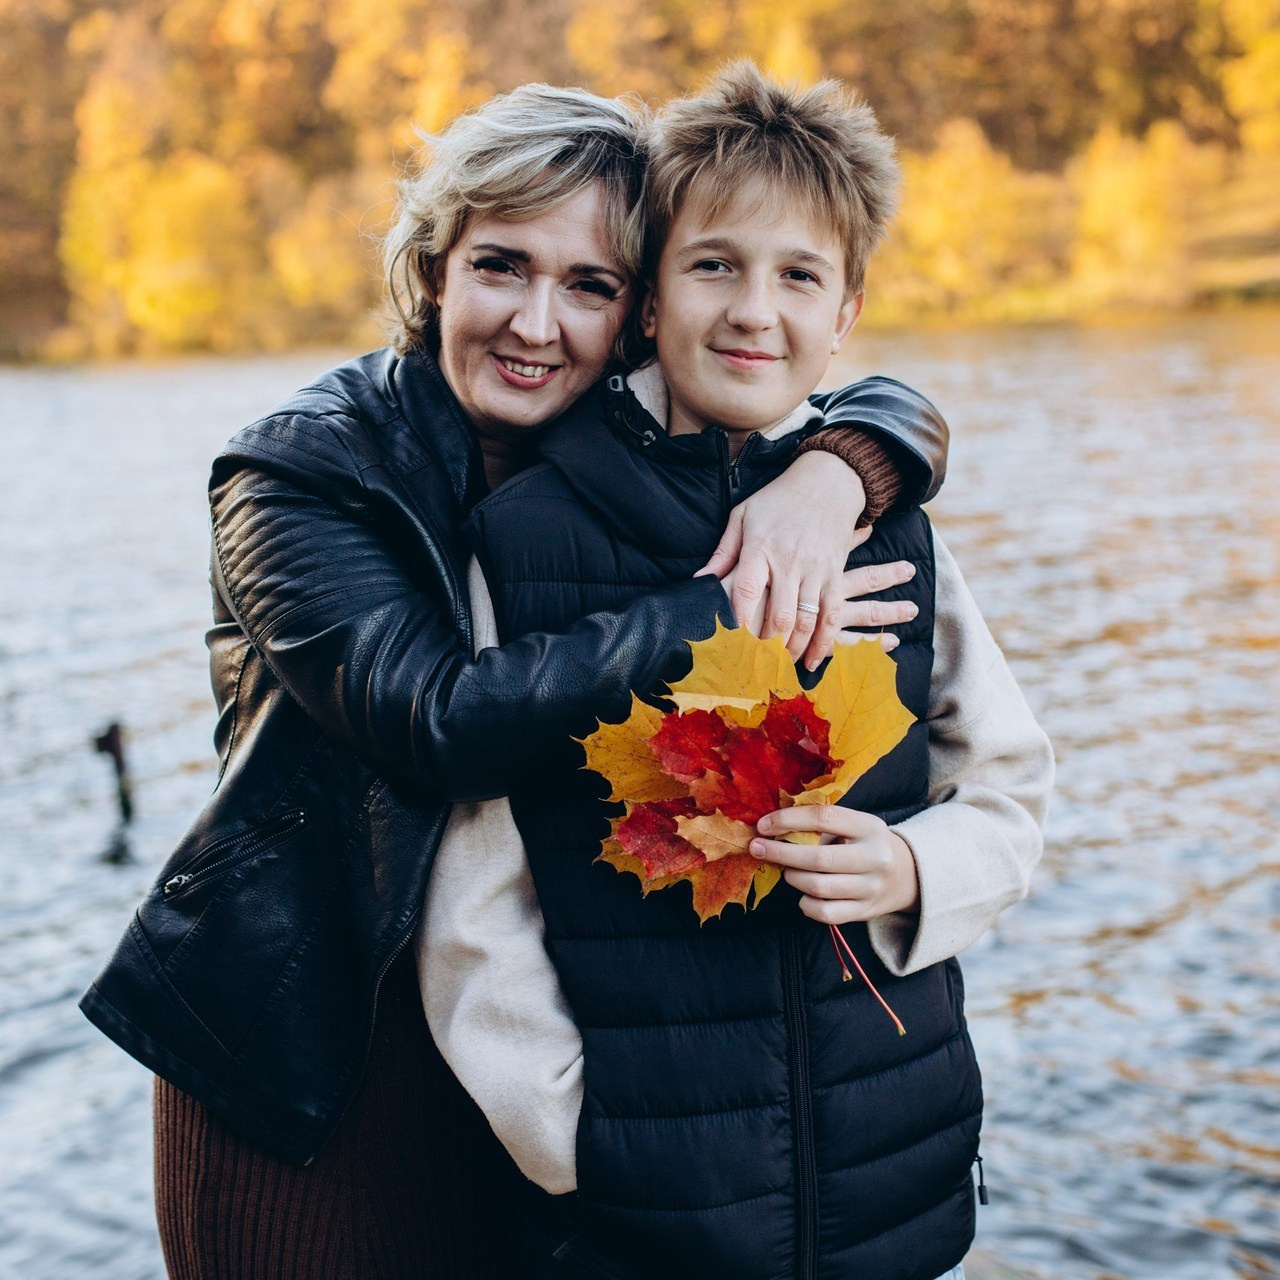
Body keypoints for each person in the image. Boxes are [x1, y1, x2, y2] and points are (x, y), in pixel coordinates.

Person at [78, 82, 953, 1277]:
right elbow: (436, 721)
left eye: (587, 285)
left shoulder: (600, 445)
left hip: (525, 1045)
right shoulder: (298, 470)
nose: (537, 323)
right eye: (501, 265)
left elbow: (844, 383)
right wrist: (727, 603)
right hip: (316, 1042)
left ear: (634, 312)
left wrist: (839, 471)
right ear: (433, 269)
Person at [436, 64, 1054, 1278]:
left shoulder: (893, 527)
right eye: (712, 264)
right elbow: (474, 887)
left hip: (895, 1159)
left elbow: (1010, 788)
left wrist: (916, 863)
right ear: (650, 300)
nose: (751, 311)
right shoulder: (527, 537)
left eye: (797, 276)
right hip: (648, 1193)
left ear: (846, 312)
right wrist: (566, 1131)